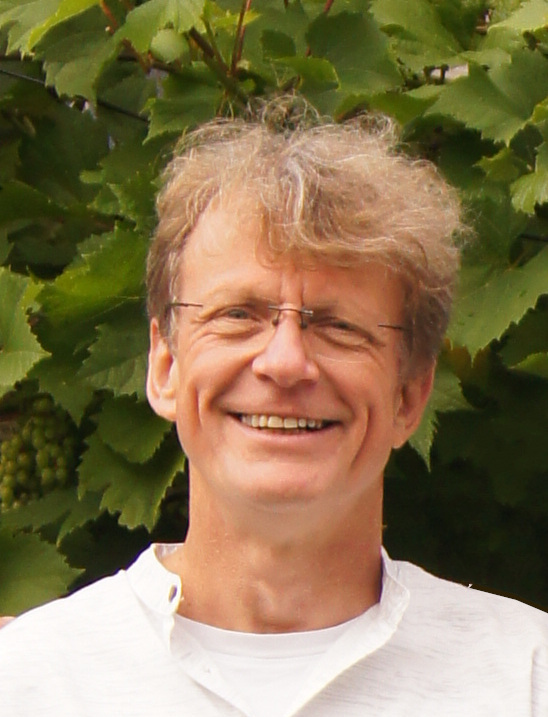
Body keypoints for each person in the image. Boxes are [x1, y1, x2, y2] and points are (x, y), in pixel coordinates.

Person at [0, 100, 547, 716]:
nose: (285, 362)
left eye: (339, 326)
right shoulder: (27, 682)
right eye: (238, 314)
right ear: (165, 366)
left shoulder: (527, 679)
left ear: (409, 396)